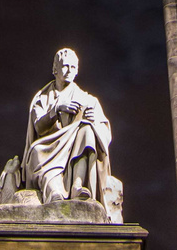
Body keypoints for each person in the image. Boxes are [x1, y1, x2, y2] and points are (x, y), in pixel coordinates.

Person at [22, 48, 113, 206]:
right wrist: (56, 110)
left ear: (77, 70)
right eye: (65, 66)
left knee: (87, 130)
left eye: (73, 67)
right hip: (49, 147)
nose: (69, 70)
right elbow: (39, 128)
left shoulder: (88, 99)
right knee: (36, 151)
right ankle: (53, 191)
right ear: (55, 69)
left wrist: (94, 122)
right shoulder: (41, 98)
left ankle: (77, 185)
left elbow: (105, 133)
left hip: (74, 148)